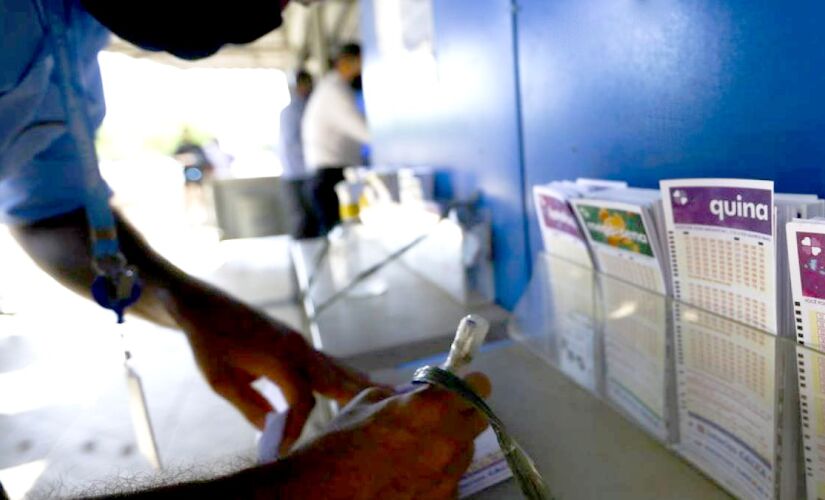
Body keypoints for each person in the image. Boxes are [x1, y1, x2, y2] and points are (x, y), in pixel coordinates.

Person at [0, 0, 489, 497]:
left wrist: (189, 305)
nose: (294, 7)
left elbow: (50, 211)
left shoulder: (69, 27)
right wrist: (318, 484)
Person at [302, 43, 371, 234]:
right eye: (360, 63)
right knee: (341, 239)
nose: (361, 70)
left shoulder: (334, 88)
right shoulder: (335, 90)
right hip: (331, 178)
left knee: (340, 238)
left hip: (330, 174)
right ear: (346, 62)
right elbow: (363, 131)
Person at [279, 70, 318, 239]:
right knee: (305, 223)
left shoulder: (299, 108)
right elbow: (295, 144)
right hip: (299, 175)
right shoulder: (297, 109)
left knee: (307, 222)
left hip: (297, 174)